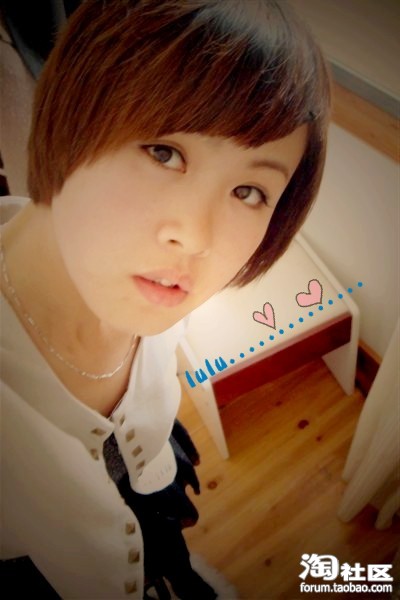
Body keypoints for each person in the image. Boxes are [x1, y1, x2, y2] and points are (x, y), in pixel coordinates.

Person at [0, 0, 331, 597]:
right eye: (165, 152)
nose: (197, 239)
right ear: (73, 109)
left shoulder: (143, 283)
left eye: (248, 191)